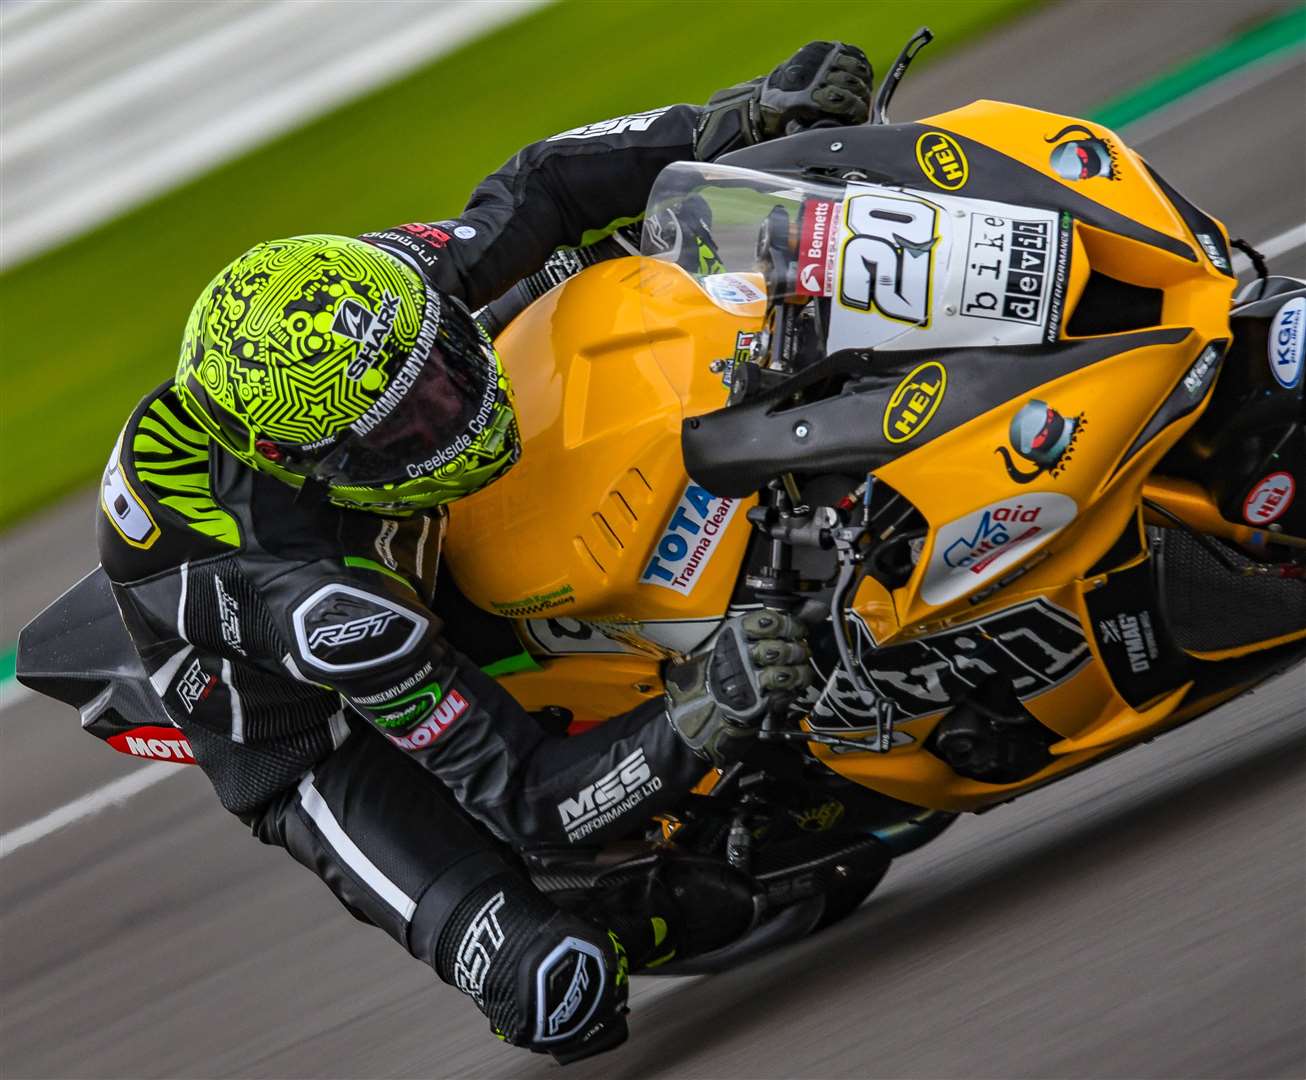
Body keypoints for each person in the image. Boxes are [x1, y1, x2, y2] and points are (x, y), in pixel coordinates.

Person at [96, 42, 869, 1064]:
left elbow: (540, 181)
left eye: (442, 374)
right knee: (556, 990)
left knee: (587, 261)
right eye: (415, 419)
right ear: (317, 464)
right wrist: (700, 716)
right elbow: (534, 797)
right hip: (302, 726)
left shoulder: (360, 309)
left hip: (379, 500)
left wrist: (733, 118)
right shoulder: (324, 607)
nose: (457, 411)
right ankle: (576, 923)